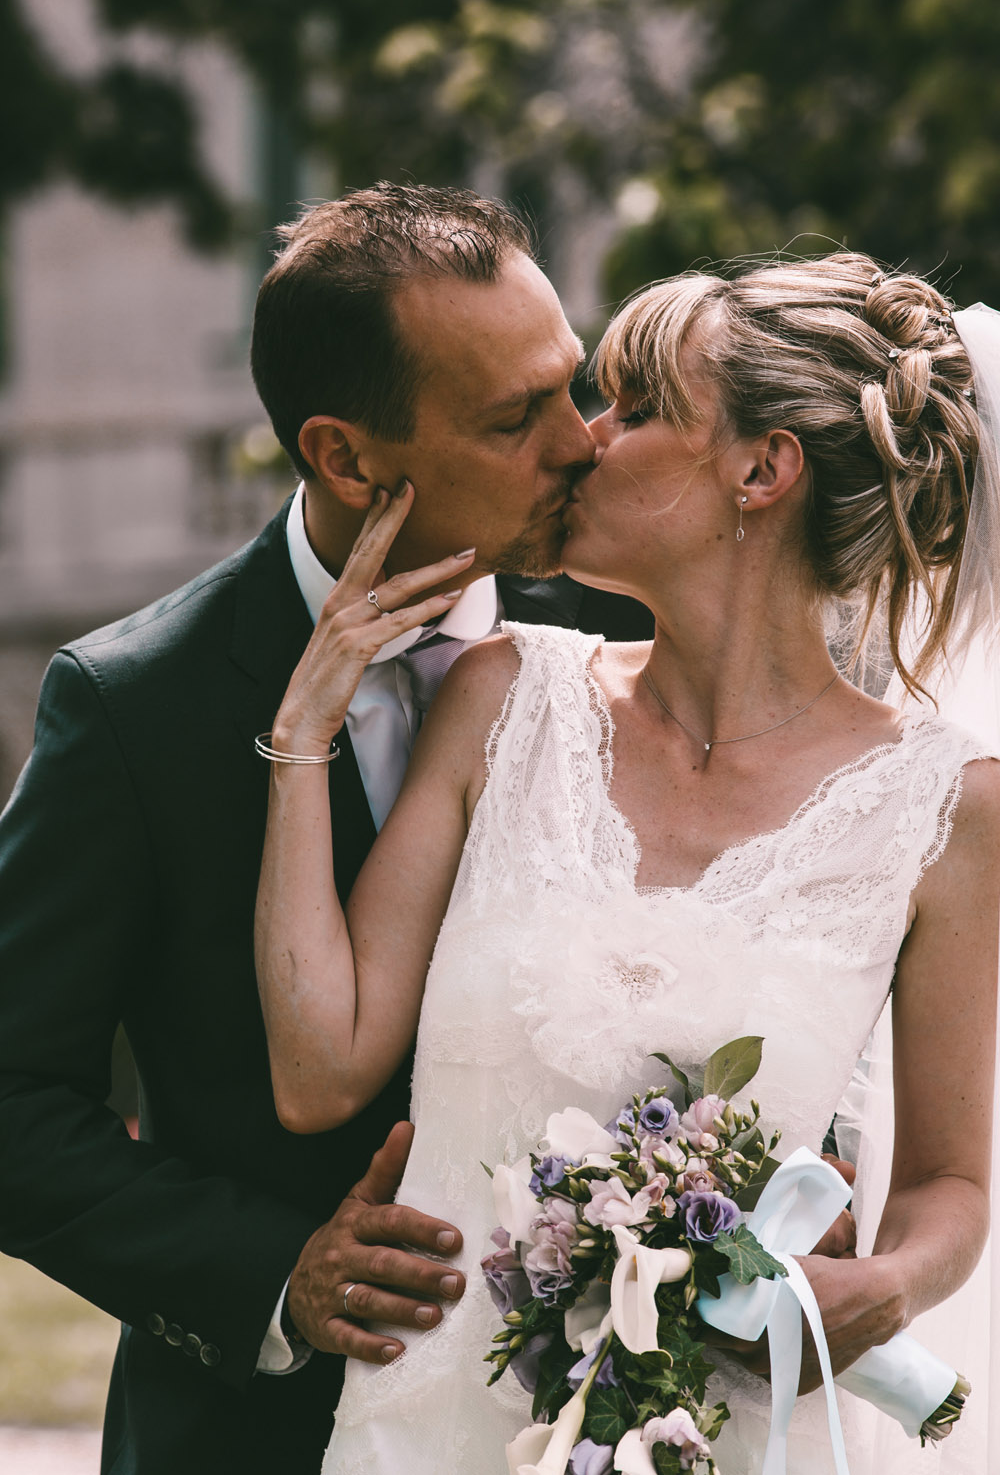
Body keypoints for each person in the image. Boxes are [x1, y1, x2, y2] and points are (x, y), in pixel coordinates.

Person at [254, 254, 1000, 1474]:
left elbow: (948, 1183)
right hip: (426, 1436)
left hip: (728, 1431)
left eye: (638, 407)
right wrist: (299, 735)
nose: (583, 442)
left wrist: (889, 1282)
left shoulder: (945, 806)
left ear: (760, 471)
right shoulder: (503, 697)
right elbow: (317, 1068)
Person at [0, 183, 653, 1475]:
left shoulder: (634, 647)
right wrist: (273, 1277)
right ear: (347, 459)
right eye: (514, 419)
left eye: (570, 386)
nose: (580, 444)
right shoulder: (136, 707)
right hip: (254, 1443)